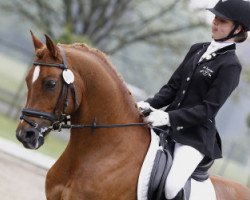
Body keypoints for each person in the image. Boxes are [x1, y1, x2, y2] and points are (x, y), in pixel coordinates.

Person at [138, 0, 250, 199]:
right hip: (167, 126)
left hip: (195, 137)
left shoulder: (231, 66)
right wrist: (148, 104)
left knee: (171, 186)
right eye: (215, 18)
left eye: (222, 20)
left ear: (238, 28)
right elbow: (172, 87)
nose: (214, 23)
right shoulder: (197, 49)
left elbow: (207, 110)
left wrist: (167, 118)